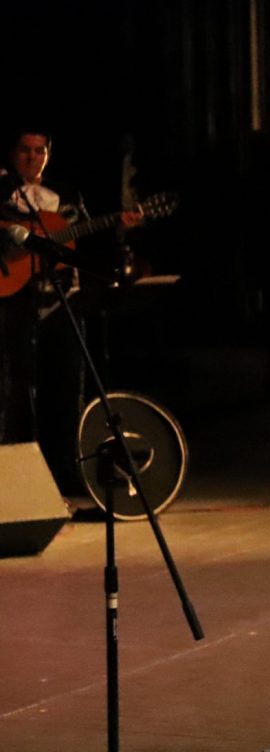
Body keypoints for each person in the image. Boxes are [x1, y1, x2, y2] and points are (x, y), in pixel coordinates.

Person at [0, 127, 140, 490]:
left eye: (40, 151)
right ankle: (19, 478)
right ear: (12, 153)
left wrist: (119, 228)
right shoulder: (1, 191)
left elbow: (84, 238)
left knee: (65, 387)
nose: (32, 158)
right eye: (25, 150)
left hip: (62, 302)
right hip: (13, 304)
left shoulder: (67, 195)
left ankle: (66, 473)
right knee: (16, 391)